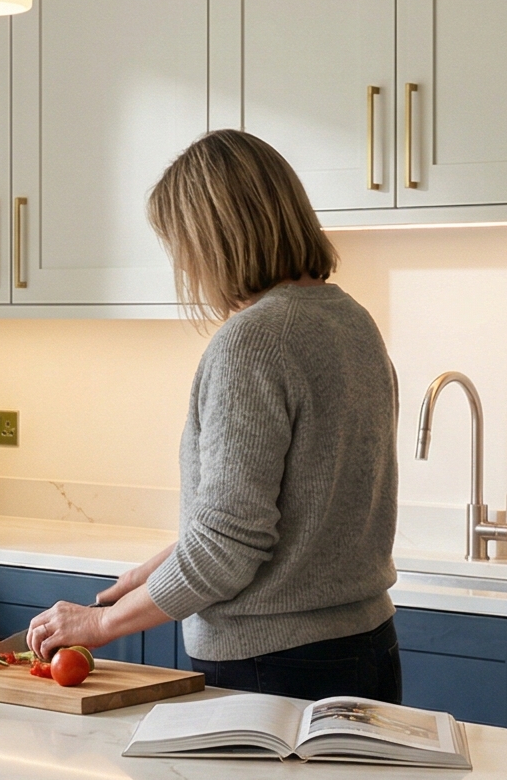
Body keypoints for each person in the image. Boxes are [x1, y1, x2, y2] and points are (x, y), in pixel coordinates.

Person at [24, 129, 401, 701]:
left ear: (214, 240)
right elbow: (280, 515)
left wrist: (99, 624)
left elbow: (229, 544)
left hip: (274, 668)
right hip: (368, 649)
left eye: (181, 244)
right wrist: (150, 573)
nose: (183, 263)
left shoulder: (252, 342)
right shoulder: (352, 321)